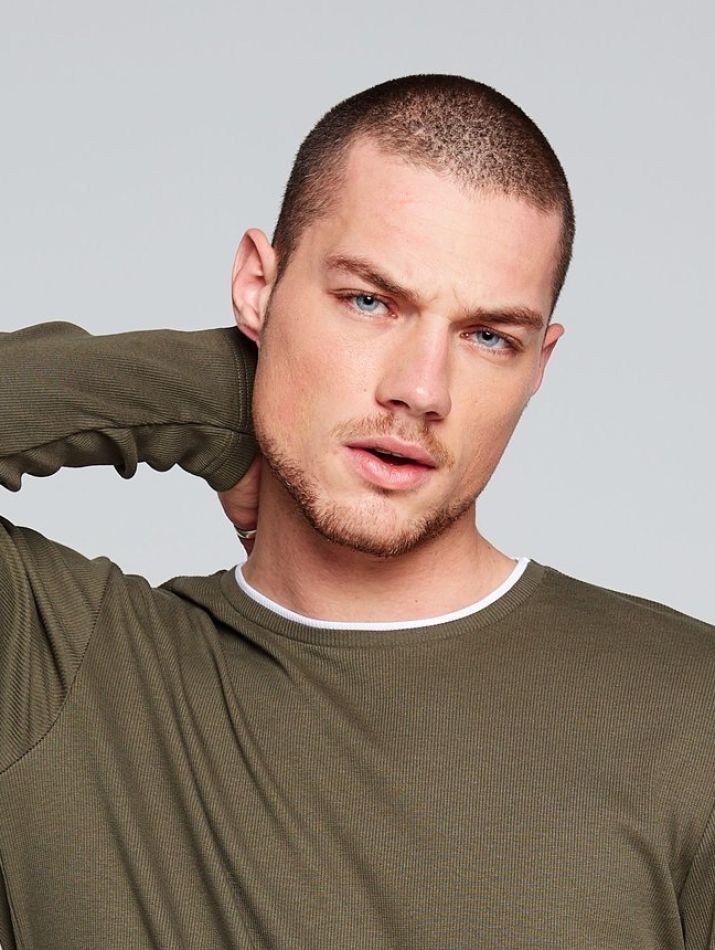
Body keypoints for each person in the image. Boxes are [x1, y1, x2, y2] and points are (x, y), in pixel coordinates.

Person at [0, 74, 712, 950]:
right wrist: (215, 403)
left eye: (488, 336)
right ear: (257, 285)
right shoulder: (61, 669)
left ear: (539, 364)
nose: (420, 390)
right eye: (369, 301)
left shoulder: (692, 713)